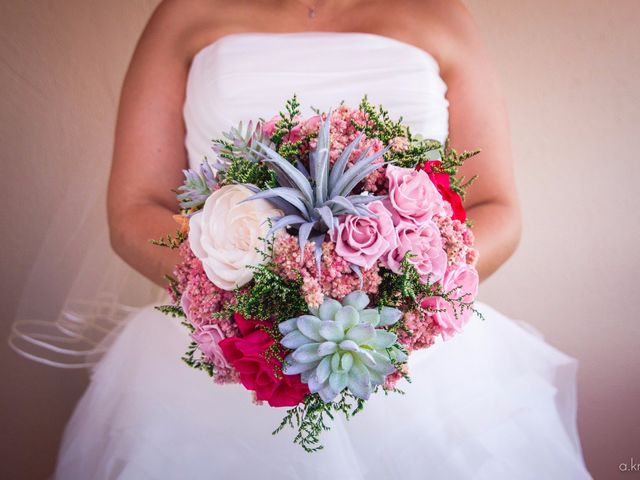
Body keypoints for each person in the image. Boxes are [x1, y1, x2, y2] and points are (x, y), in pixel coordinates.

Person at [55, 0, 592, 478]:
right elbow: (135, 209)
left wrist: (404, 298)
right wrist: (238, 291)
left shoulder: (443, 14)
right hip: (227, 349)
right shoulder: (184, 13)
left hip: (425, 368)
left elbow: (496, 207)